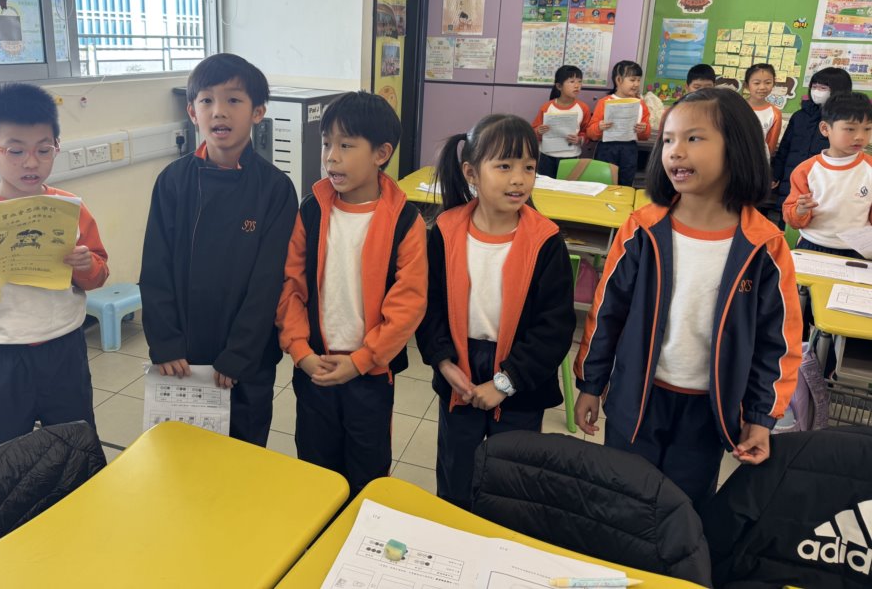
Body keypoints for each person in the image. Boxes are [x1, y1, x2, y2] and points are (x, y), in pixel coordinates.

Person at [574, 88, 802, 512]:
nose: (675, 151)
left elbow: (778, 341)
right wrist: (591, 382)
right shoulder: (642, 229)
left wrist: (760, 416)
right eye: (668, 140)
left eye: (693, 138)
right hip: (635, 399)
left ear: (737, 147)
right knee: (618, 503)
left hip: (709, 410)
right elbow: (607, 312)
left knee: (683, 512)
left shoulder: (764, 245)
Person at [0, 83, 109, 453]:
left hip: (64, 348)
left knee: (75, 447)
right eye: (16, 150)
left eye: (44, 150)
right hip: (1, 356)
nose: (31, 162)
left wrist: (85, 265)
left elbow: (98, 272)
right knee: (1, 456)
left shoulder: (70, 209)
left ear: (56, 146)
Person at [418, 114, 575, 510]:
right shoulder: (446, 231)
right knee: (456, 476)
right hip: (460, 370)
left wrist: (505, 383)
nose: (519, 179)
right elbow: (428, 306)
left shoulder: (546, 241)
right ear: (471, 172)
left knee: (512, 481)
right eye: (504, 166)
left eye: (529, 167)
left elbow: (554, 327)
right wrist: (443, 362)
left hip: (521, 375)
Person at [140, 53, 297, 446]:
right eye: (207, 100)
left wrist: (240, 353)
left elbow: (268, 282)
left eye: (233, 100)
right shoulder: (172, 182)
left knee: (243, 454)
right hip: (183, 356)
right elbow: (155, 268)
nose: (219, 111)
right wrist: (165, 342)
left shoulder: (275, 189)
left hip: (247, 360)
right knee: (183, 454)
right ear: (192, 112)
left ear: (258, 112)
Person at [277, 91, 427, 496]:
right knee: (315, 470)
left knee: (367, 474)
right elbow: (291, 287)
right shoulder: (312, 210)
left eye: (346, 146)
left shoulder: (404, 220)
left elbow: (409, 304)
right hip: (314, 366)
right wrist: (300, 351)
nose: (331, 157)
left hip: (370, 373)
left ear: (381, 153)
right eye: (327, 144)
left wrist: (363, 360)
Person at [784, 92, 872, 258]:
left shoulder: (869, 168)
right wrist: (800, 210)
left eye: (867, 129)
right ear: (825, 129)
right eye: (850, 129)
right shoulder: (806, 170)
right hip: (813, 244)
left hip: (857, 250)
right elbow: (792, 220)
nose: (860, 136)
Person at [771, 68, 853, 217]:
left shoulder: (844, 120)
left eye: (823, 88)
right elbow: (784, 148)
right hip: (792, 182)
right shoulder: (800, 116)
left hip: (824, 186)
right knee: (789, 219)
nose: (817, 91)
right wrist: (775, 174)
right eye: (814, 87)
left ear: (839, 90)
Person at [586, 60, 651, 186]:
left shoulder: (641, 104)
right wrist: (599, 127)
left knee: (625, 184)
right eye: (632, 80)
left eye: (638, 80)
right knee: (603, 183)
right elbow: (590, 133)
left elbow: (645, 136)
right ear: (619, 80)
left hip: (629, 149)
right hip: (607, 149)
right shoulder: (604, 102)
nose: (636, 84)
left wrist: (643, 129)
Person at [531, 65, 592, 179]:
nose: (577, 85)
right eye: (572, 81)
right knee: (546, 186)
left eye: (579, 81)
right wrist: (538, 131)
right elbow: (533, 132)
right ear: (559, 86)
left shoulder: (583, 108)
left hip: (571, 156)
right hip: (547, 156)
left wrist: (580, 139)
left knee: (567, 187)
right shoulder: (547, 107)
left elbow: (587, 132)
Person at [743, 63, 781, 157]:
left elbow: (771, 146)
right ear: (747, 85)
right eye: (756, 83)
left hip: (759, 160)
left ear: (773, 84)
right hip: (735, 158)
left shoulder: (775, 113)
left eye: (768, 83)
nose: (762, 87)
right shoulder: (735, 107)